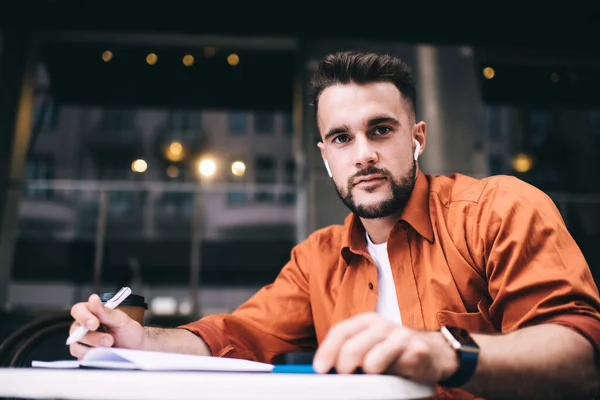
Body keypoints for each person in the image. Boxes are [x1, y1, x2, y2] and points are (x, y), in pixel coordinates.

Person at [69, 51, 600, 399]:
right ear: (326, 157)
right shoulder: (318, 257)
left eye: (381, 130)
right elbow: (239, 335)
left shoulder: (498, 209)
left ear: (416, 138)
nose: (364, 154)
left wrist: (445, 352)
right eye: (343, 139)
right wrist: (140, 340)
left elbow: (579, 359)